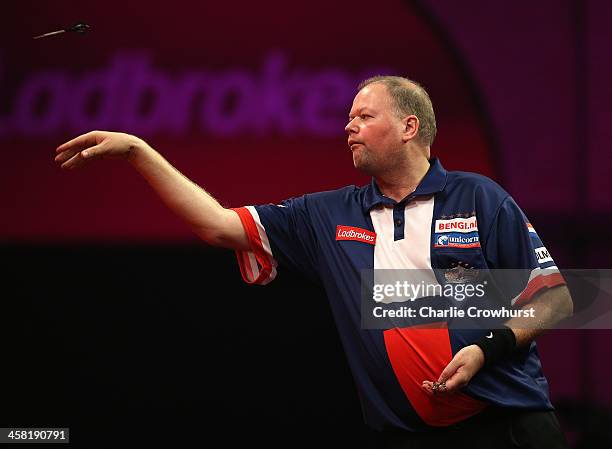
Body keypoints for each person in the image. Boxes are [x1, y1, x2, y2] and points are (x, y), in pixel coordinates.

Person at [54, 76, 573, 448]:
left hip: (509, 424)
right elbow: (216, 224)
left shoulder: (479, 197)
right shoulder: (327, 214)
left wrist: (487, 348)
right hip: (404, 435)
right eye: (348, 118)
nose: (348, 127)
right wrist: (141, 152)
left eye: (364, 117)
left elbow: (561, 298)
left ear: (409, 126)